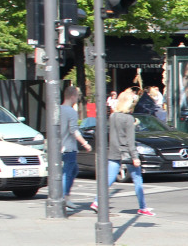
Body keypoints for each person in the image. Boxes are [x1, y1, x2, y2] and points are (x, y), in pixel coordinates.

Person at [90, 88, 153, 216]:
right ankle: (143, 207)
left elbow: (115, 134)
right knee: (137, 179)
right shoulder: (128, 119)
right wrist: (135, 157)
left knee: (109, 179)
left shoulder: (113, 116)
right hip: (127, 153)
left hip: (114, 151)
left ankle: (97, 201)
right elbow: (130, 140)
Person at [59, 85, 91, 206]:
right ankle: (64, 198)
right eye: (77, 96)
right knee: (67, 173)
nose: (77, 99)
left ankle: (65, 197)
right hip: (69, 147)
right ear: (72, 96)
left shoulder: (58, 109)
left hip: (59, 147)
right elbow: (74, 130)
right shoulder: (71, 112)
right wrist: (85, 143)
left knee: (72, 170)